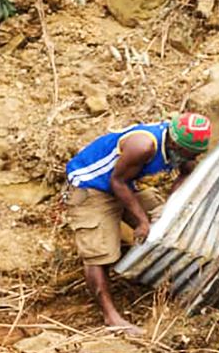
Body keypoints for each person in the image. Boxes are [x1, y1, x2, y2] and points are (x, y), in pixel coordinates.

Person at [65, 113, 211, 334]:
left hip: (125, 184)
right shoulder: (143, 145)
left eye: (196, 154)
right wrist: (141, 221)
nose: (191, 158)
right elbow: (117, 181)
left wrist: (169, 206)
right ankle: (110, 316)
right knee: (99, 252)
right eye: (188, 153)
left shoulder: (184, 148)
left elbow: (186, 171)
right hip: (90, 187)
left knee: (167, 223)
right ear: (174, 143)